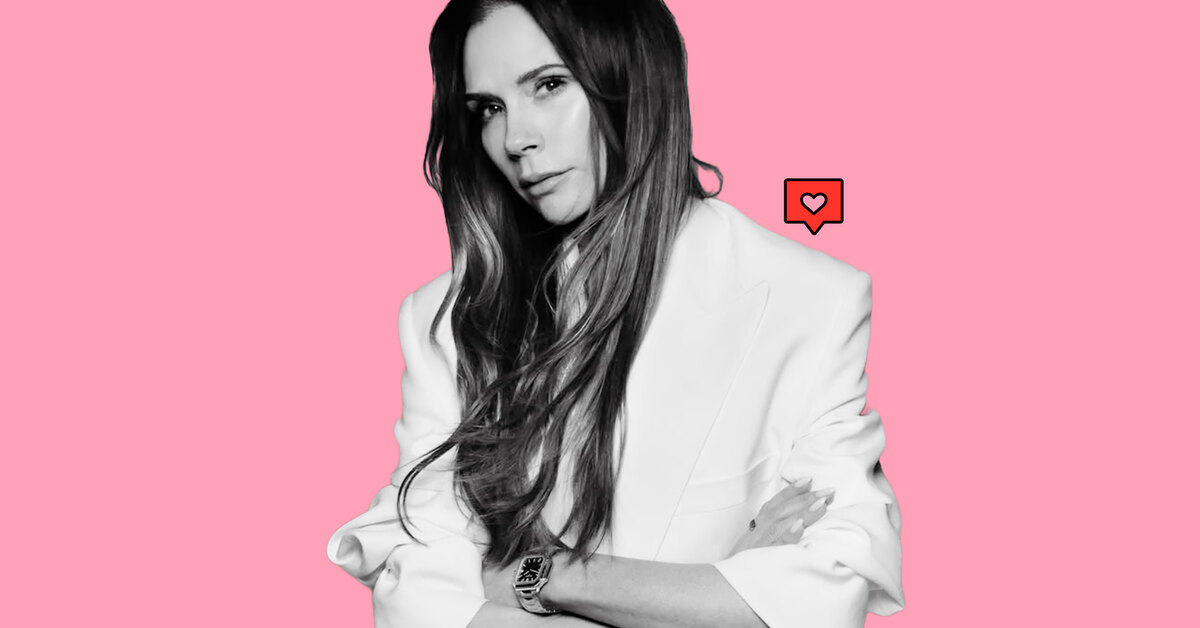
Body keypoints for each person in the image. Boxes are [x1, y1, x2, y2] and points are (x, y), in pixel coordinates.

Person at [326, 1, 904, 626]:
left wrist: (541, 574)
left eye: (549, 85)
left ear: (634, 80)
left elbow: (826, 592)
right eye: (489, 108)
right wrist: (709, 590)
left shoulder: (812, 300)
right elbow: (415, 593)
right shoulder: (448, 319)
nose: (516, 140)